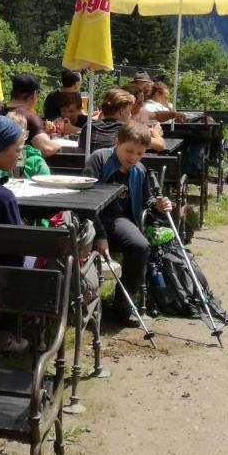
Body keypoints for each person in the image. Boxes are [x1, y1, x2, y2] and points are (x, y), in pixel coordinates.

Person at [83, 123, 172, 321]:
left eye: (140, 153)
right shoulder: (100, 159)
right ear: (117, 143)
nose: (133, 157)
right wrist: (100, 235)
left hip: (120, 219)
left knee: (140, 246)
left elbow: (146, 201)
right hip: (92, 217)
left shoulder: (139, 170)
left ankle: (124, 299)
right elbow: (86, 200)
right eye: (129, 151)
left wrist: (157, 206)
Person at [0, 72, 62, 157]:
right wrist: (58, 143)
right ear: (34, 95)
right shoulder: (30, 118)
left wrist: (41, 132)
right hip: (14, 168)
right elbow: (46, 149)